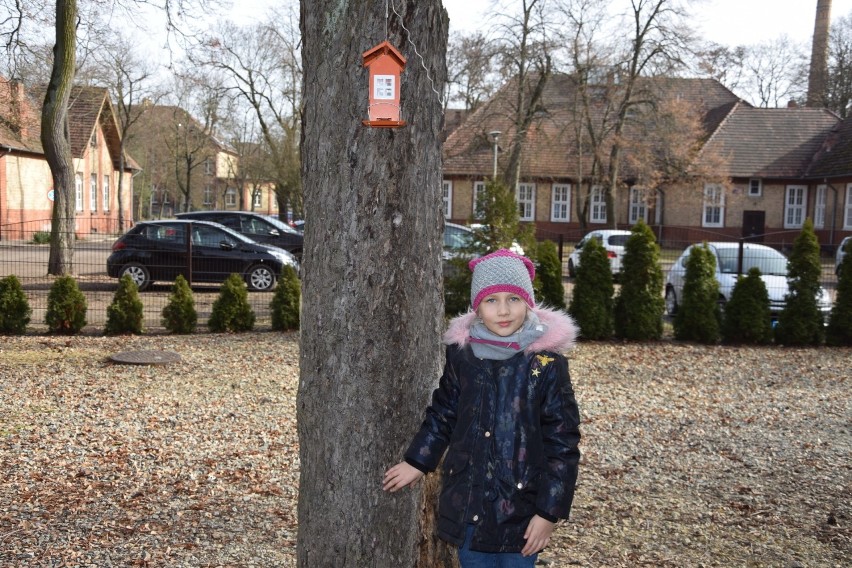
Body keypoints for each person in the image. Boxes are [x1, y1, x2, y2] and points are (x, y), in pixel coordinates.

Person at [383, 249, 581, 566]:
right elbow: (443, 412)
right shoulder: (463, 356)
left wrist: (549, 512)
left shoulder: (546, 364)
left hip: (521, 512)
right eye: (492, 300)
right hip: (469, 504)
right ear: (477, 307)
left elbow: (563, 441)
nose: (503, 310)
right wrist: (418, 461)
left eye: (513, 299)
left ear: (527, 302)